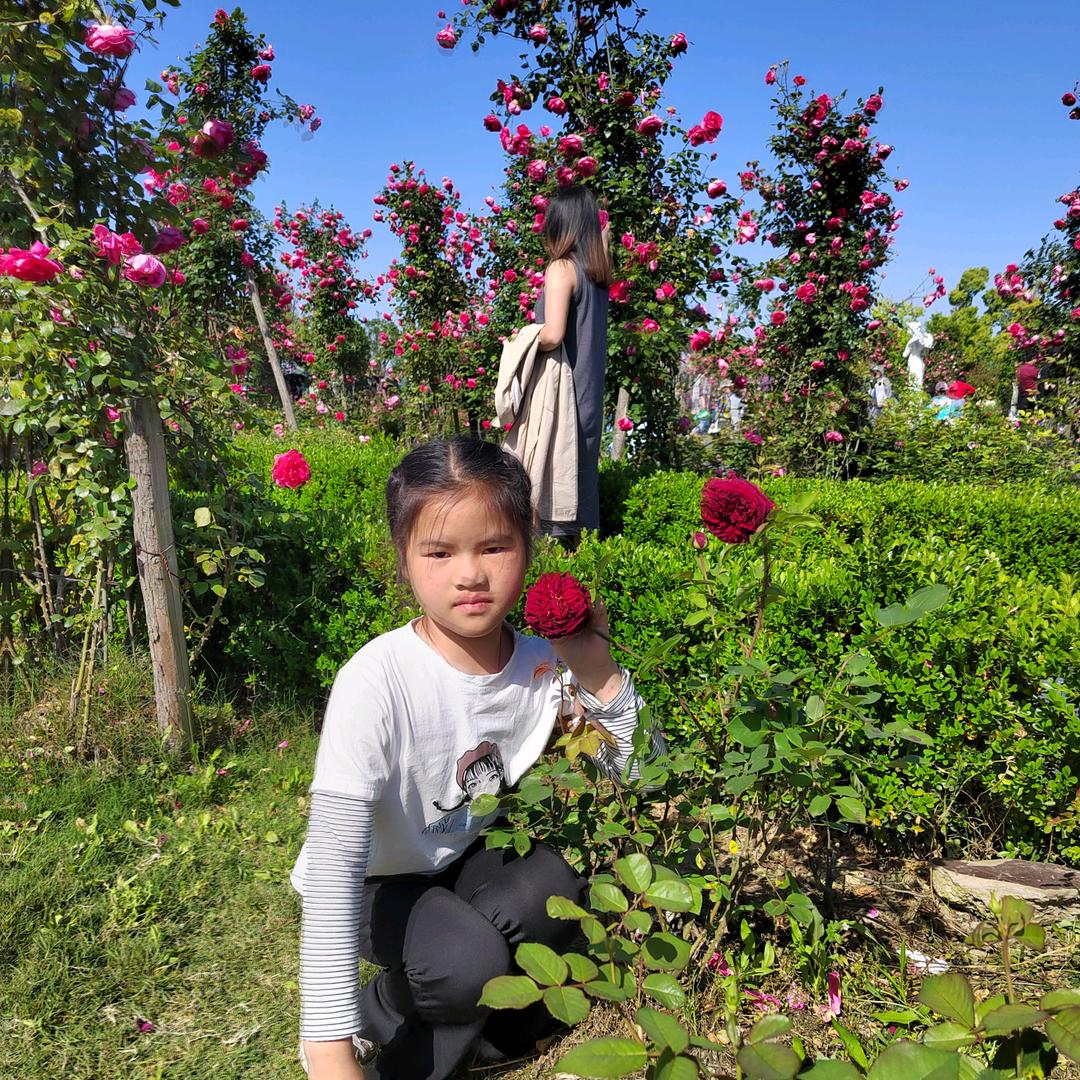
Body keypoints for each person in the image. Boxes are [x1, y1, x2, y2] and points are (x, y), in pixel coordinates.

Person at [292, 436, 663, 1080]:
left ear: (528, 546)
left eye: (494, 546)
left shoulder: (541, 664)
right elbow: (333, 869)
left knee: (556, 892)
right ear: (405, 561)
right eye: (439, 552)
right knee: (466, 963)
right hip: (376, 884)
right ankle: (382, 1019)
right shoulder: (377, 682)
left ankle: (425, 1006)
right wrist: (328, 1045)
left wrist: (597, 671)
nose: (470, 573)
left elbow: (639, 776)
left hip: (459, 857)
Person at [534, 186, 612, 547]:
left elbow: (552, 334)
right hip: (589, 399)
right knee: (580, 489)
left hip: (562, 397)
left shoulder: (562, 268)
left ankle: (552, 583)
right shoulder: (597, 276)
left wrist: (519, 341)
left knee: (551, 493)